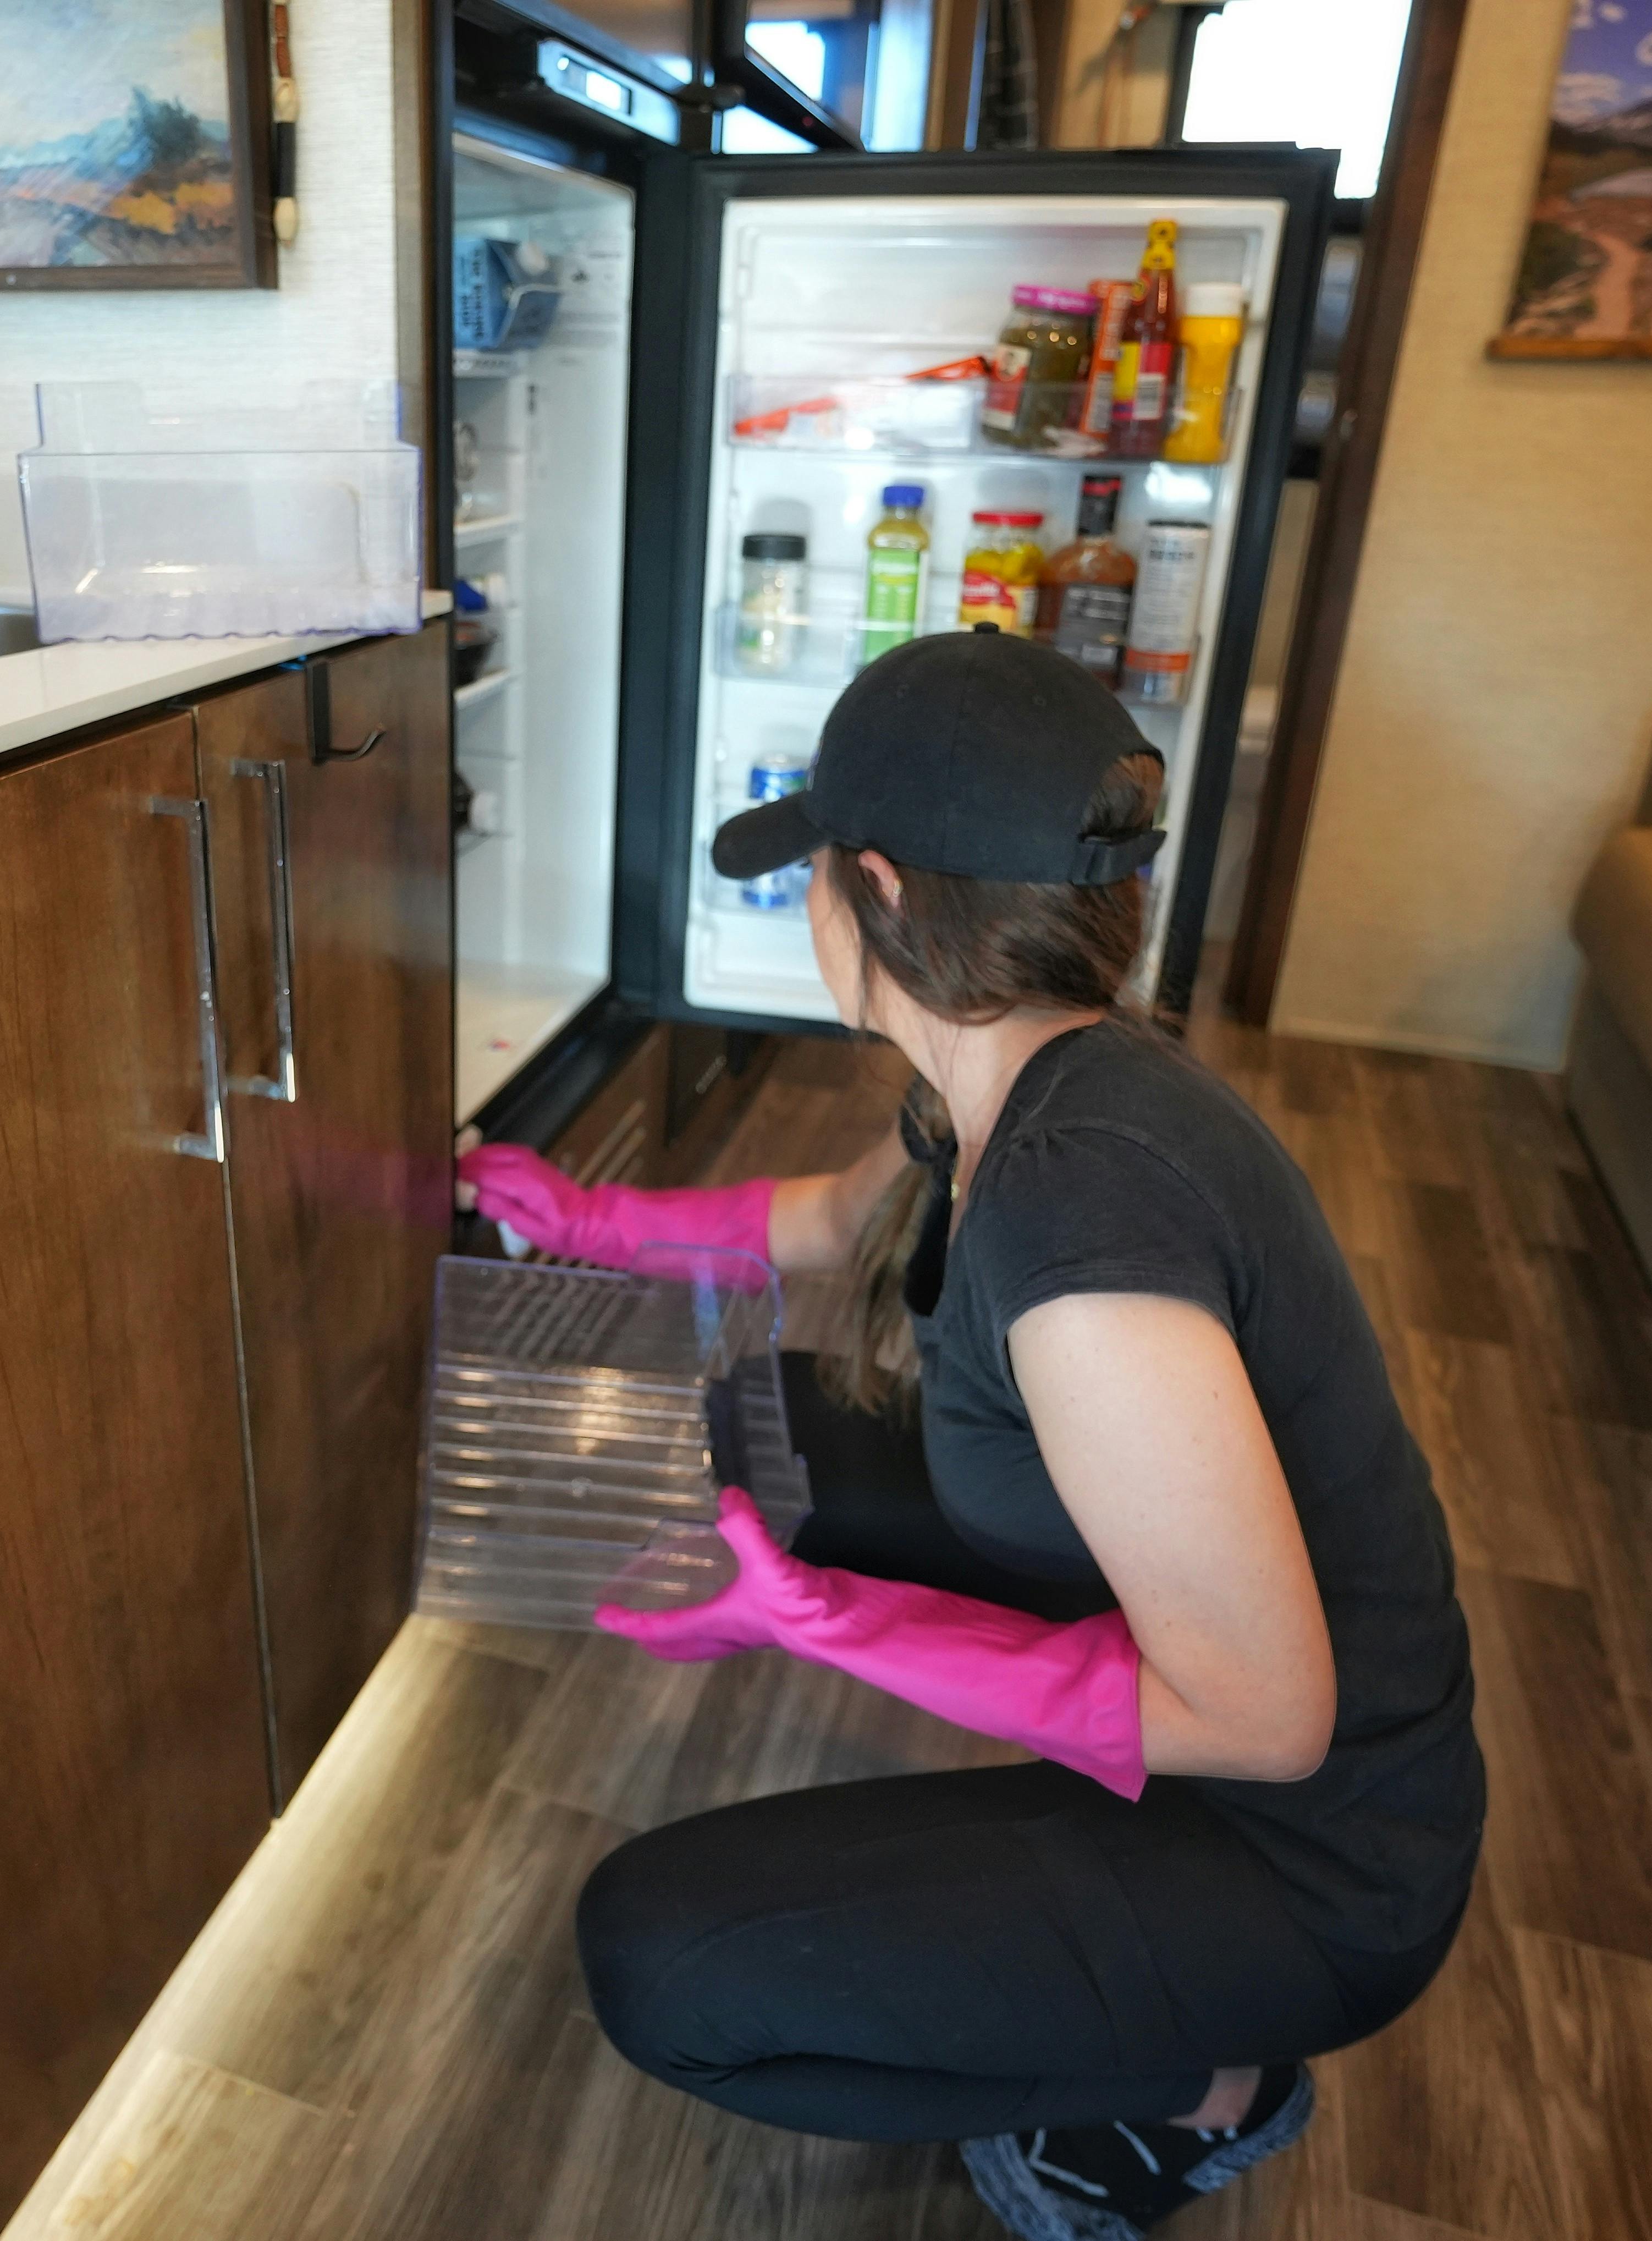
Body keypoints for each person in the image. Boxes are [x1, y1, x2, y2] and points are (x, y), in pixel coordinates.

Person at [456, 629, 1483, 2240]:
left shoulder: (1087, 1237)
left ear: (874, 887)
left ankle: (1201, 2085)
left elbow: (1272, 1717)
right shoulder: (1020, 1072)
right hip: (1217, 1679)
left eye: (806, 873)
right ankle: (1120, 1989)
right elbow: (822, 1217)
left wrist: (832, 1623)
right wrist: (586, 1217)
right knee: (766, 1413)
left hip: (1309, 1859)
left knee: (664, 1965)